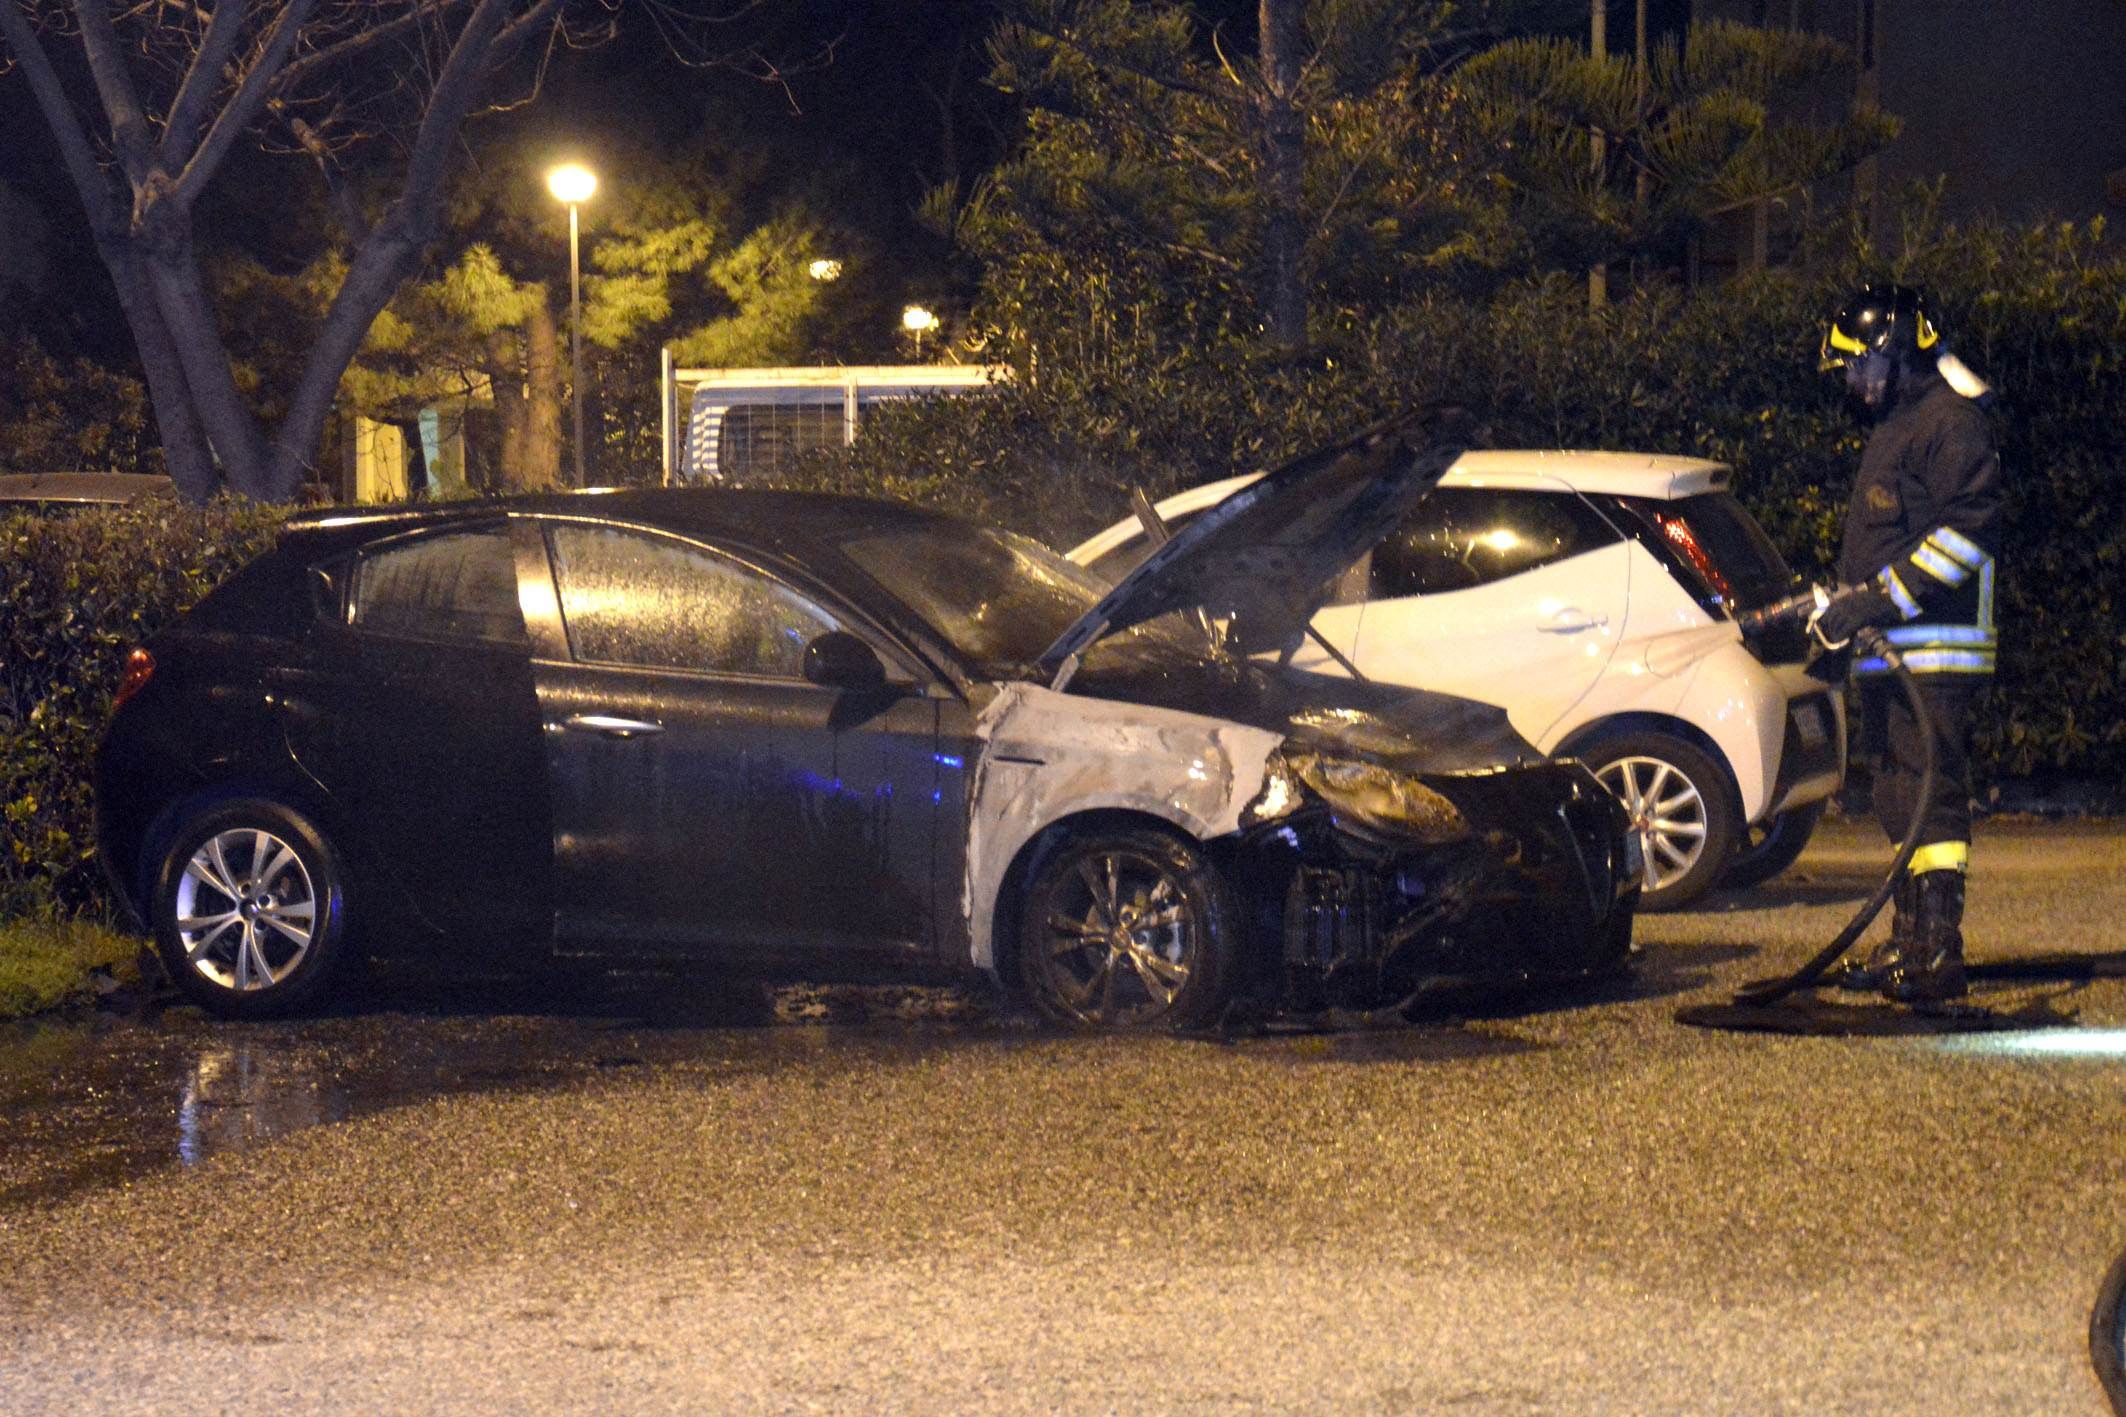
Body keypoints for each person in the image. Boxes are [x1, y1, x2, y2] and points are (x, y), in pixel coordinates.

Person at [1806, 283, 2002, 1005]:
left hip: (1936, 651)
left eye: (1859, 367)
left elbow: (1966, 534)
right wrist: (1846, 606)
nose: (1853, 384)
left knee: (1933, 798)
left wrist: (1878, 599)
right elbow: (1886, 543)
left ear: (1894, 352)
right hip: (1896, 649)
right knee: (1901, 796)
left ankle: (1937, 950)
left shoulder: (1949, 424)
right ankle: (1910, 939)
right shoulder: (1901, 424)